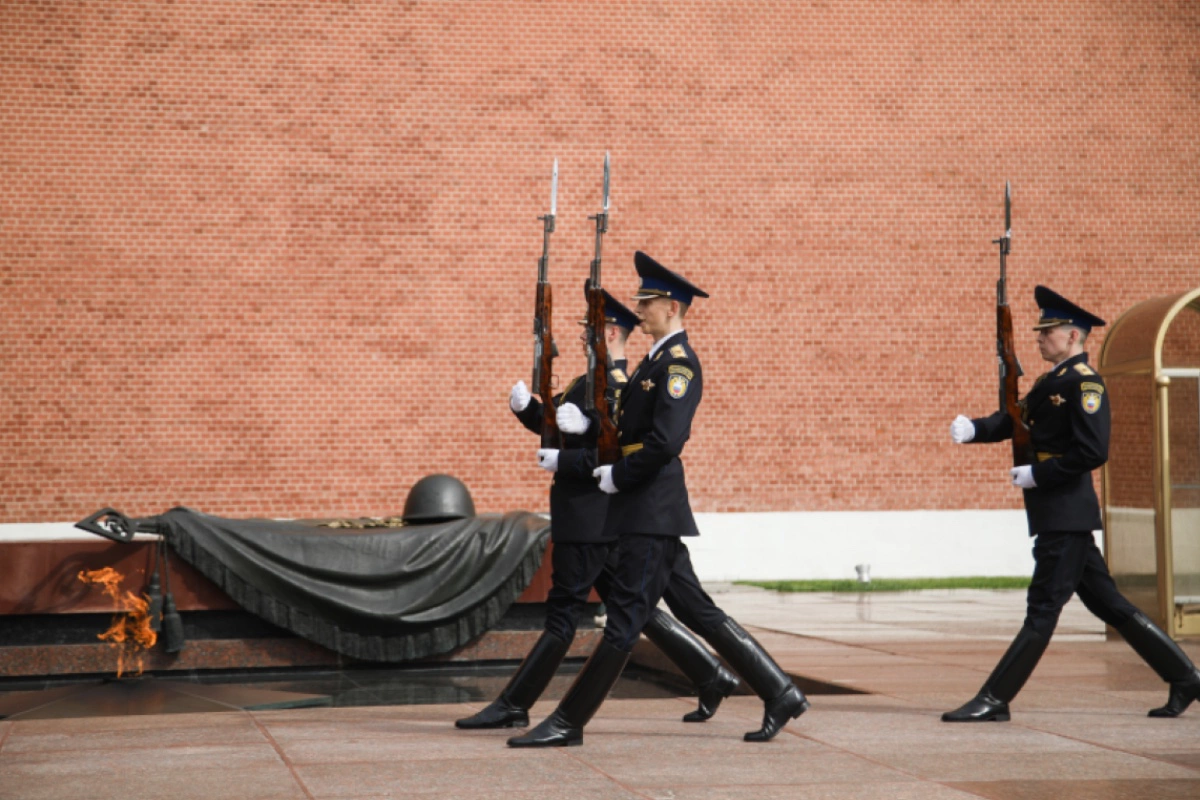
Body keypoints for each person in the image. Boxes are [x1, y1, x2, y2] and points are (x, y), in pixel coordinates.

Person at [509, 252, 808, 748]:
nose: (639, 309)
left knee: (624, 621)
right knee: (696, 611)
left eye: (646, 302)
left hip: (651, 507)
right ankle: (781, 692)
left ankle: (568, 722)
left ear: (670, 306)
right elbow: (626, 426)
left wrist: (617, 474)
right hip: (647, 507)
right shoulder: (653, 362)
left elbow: (665, 442)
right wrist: (584, 431)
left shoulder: (679, 366)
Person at [455, 286, 739, 732]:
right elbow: (559, 430)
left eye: (591, 330)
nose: (585, 337)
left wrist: (569, 455)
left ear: (610, 332)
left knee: (568, 612)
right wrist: (528, 411)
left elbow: (617, 452)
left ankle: (521, 705)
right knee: (638, 612)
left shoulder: (621, 384)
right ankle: (710, 673)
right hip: (594, 514)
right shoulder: (585, 381)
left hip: (592, 514)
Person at [943, 285, 1200, 723]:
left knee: (1042, 609)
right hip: (1060, 514)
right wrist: (975, 429)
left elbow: (1093, 451)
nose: (1040, 337)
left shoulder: (1085, 385)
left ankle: (996, 697)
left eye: (1049, 331)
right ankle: (1186, 677)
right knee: (1112, 606)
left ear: (1073, 336)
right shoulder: (1051, 382)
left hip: (1064, 513)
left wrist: (1037, 474)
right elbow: (1017, 418)